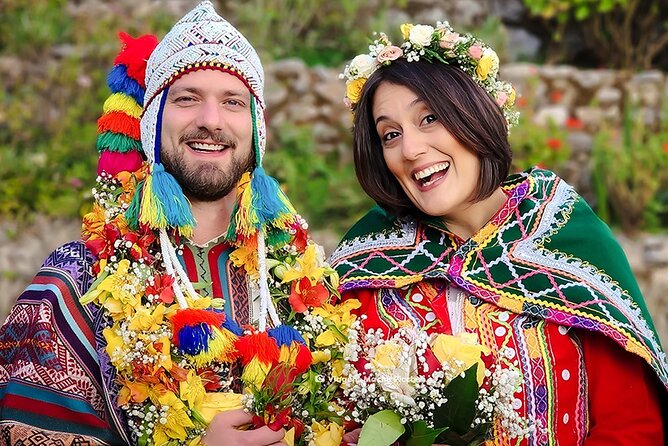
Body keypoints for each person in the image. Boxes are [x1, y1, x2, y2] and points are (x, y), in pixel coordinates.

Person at [331, 21, 667, 445]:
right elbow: (331, 414)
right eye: (390, 134)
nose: (410, 149)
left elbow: (634, 428)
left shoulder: (569, 241)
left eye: (429, 118)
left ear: (473, 115)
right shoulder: (366, 264)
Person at [0, 2, 312, 445]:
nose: (211, 120)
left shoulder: (300, 278)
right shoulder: (75, 279)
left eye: (233, 102)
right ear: (152, 124)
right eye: (187, 98)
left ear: (256, 129)